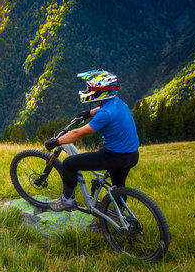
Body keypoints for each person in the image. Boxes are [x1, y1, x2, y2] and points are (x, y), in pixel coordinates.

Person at [44, 69, 140, 212]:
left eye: (90, 88)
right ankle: (118, 216)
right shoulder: (117, 102)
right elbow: (103, 106)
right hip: (132, 155)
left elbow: (78, 133)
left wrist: (57, 142)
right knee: (118, 186)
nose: (87, 90)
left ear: (99, 91)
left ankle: (67, 200)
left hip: (115, 156)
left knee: (69, 164)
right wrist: (88, 113)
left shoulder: (105, 115)